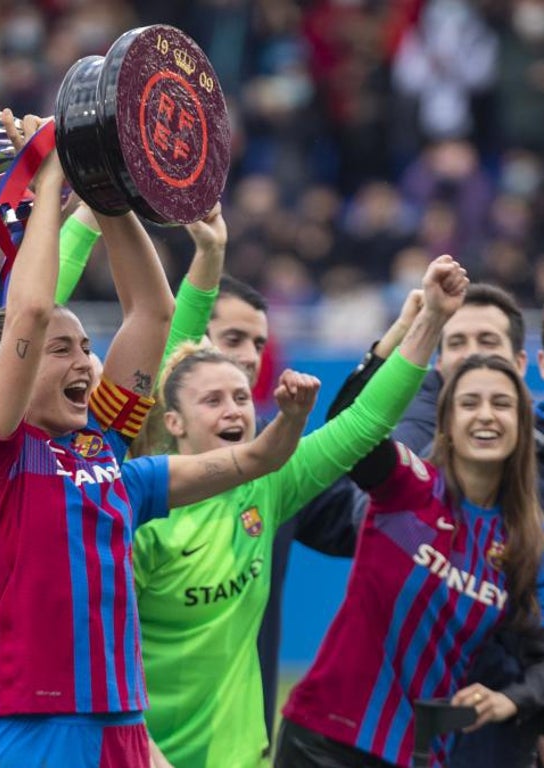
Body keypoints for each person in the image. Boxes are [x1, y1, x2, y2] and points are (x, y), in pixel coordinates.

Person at [0, 115, 317, 768]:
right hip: (33, 726)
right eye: (62, 350)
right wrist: (53, 171)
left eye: (87, 347)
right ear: (14, 368)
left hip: (122, 724)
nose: (86, 363)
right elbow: (30, 311)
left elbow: (155, 312)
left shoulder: (106, 451)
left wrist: (107, 192)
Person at [132, 256, 468, 768]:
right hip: (143, 756)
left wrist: (430, 320)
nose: (234, 409)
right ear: (173, 422)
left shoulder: (268, 485)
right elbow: (101, 657)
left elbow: (365, 423)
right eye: (214, 400)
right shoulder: (140, 510)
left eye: (242, 397)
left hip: (238, 757)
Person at [278, 351, 544, 768]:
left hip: (420, 758)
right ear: (447, 423)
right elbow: (351, 422)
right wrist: (422, 321)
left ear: (522, 428)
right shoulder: (411, 486)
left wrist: (511, 700)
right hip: (324, 743)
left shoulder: (523, 544)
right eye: (470, 403)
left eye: (502, 404)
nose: (486, 415)